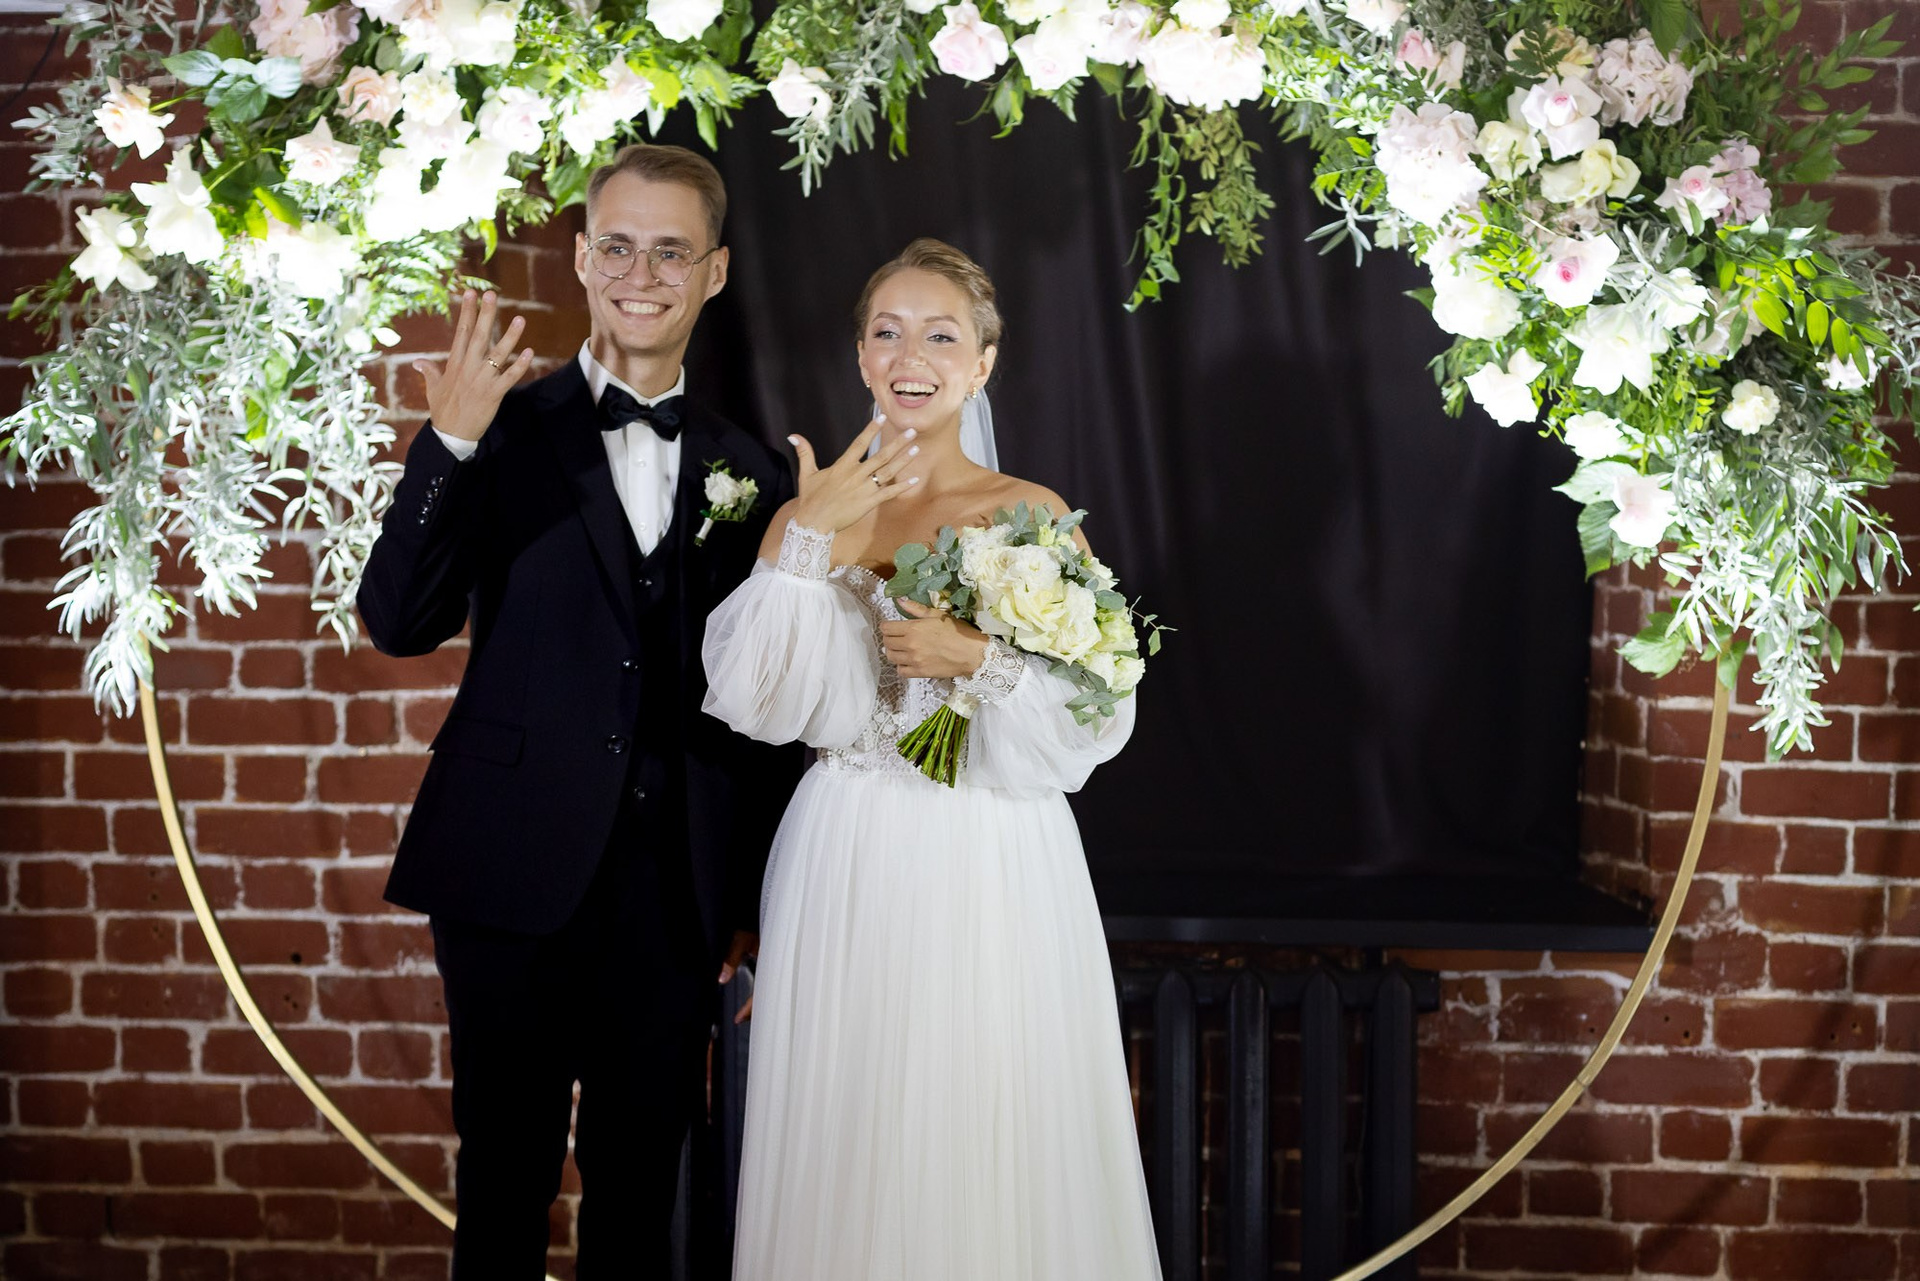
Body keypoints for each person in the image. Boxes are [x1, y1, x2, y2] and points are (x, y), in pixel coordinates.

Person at [356, 143, 800, 1278]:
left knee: (641, 1203)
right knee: (501, 1186)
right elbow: (399, 622)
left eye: (671, 252)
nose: (641, 274)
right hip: (509, 874)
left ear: (714, 271)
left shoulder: (755, 473)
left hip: (675, 898)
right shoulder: (500, 430)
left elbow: (768, 710)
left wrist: (751, 896)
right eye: (618, 246)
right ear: (582, 258)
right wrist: (448, 442)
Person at [702, 238, 1162, 1281]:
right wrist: (809, 540)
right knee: (849, 1123)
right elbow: (756, 698)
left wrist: (979, 661)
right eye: (889, 332)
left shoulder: (1032, 513)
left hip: (991, 850)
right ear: (862, 356)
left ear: (983, 363)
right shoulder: (807, 509)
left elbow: (1094, 718)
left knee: (987, 1114)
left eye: (941, 335)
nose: (912, 356)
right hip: (848, 840)